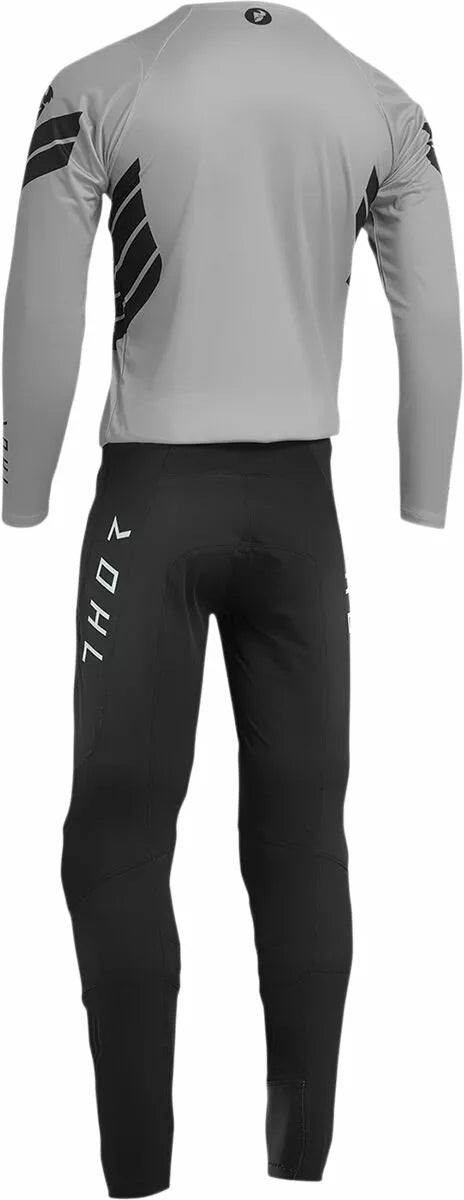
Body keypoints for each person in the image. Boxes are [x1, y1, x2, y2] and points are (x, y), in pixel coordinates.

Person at [2, 5, 461, 1195]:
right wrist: (421, 487)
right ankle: (297, 1163)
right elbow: (432, 308)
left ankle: (136, 1172)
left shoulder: (96, 84)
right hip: (298, 516)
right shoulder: (376, 101)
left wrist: (20, 488)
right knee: (301, 837)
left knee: (113, 833)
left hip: (148, 507)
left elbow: (41, 304)